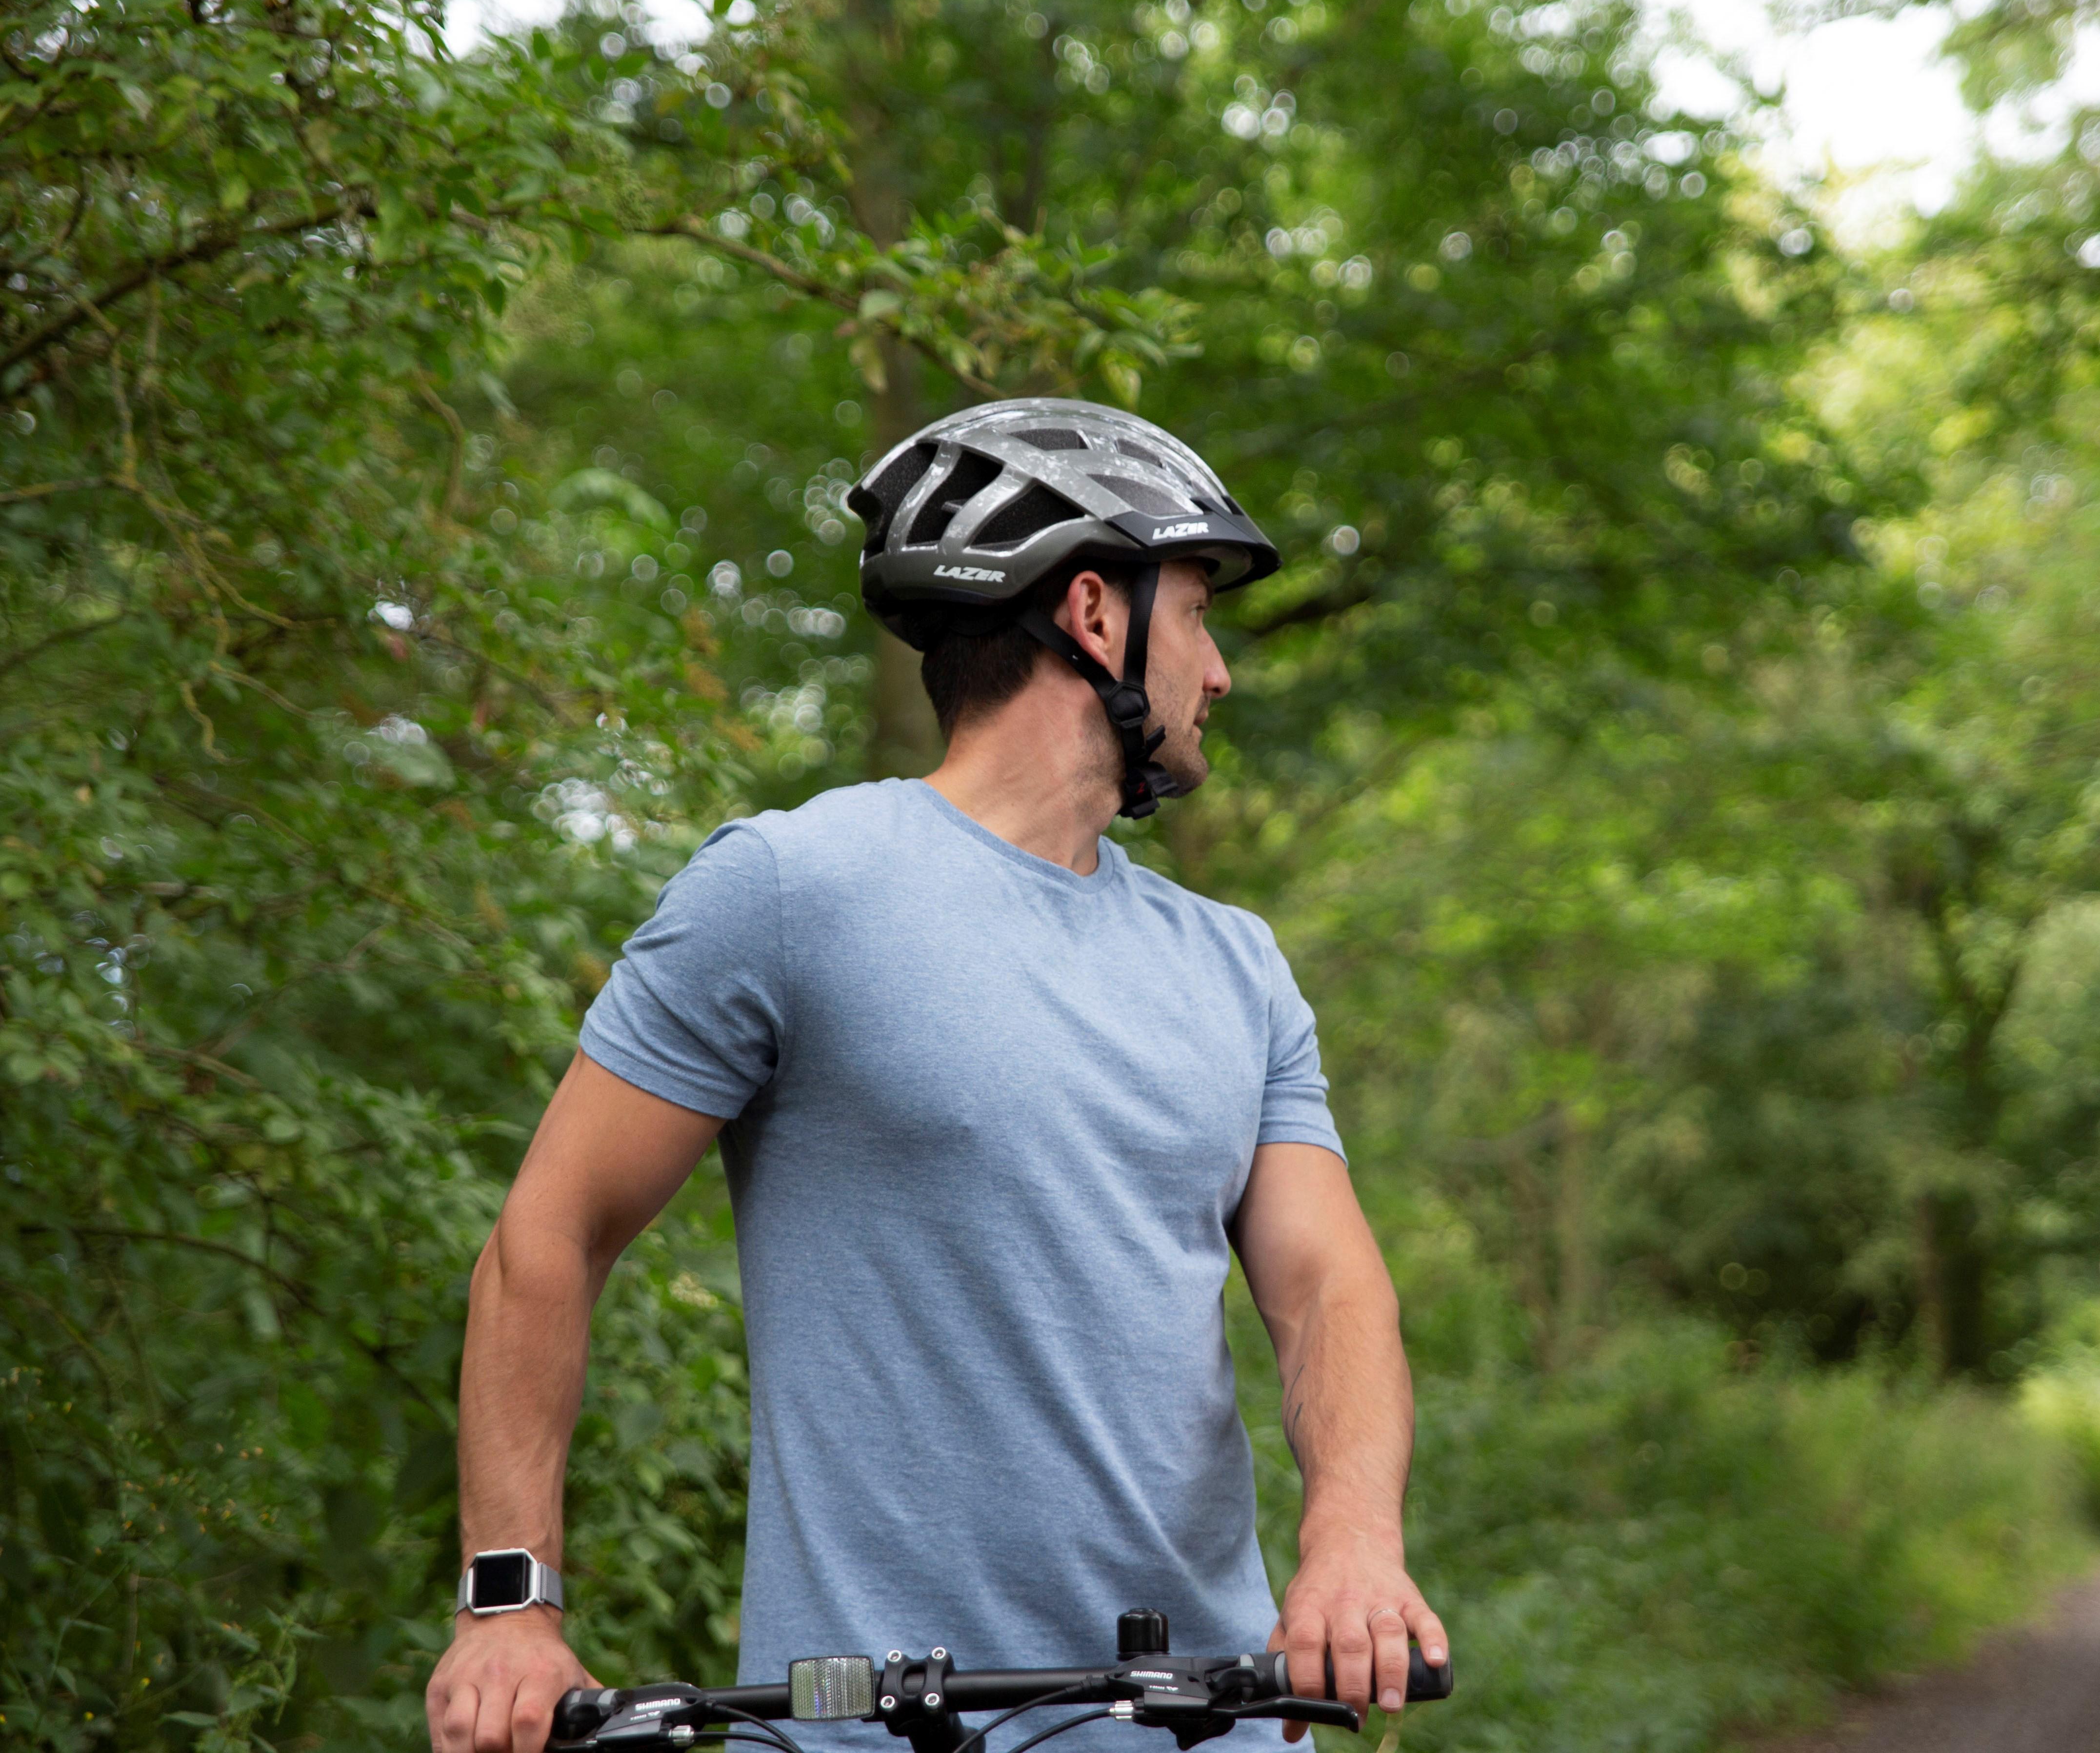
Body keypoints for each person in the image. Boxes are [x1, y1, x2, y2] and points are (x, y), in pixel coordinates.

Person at [424, 399, 1447, 1753]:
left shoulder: (1236, 966)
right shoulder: (793, 889)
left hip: (1214, 1726)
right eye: (1196, 614)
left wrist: (1356, 1546)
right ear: (1096, 614)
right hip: (870, 1729)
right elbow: (548, 1237)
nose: (1221, 673)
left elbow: (1327, 1285)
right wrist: (509, 1607)